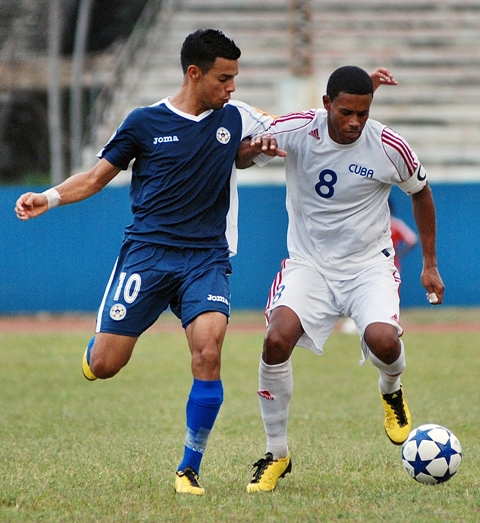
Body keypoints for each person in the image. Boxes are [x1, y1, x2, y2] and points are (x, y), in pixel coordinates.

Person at [14, 29, 275, 496]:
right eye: (224, 78)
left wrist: (252, 153)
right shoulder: (144, 122)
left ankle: (189, 468)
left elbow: (279, 133)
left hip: (205, 259)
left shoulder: (236, 117)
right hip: (147, 257)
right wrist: (47, 198)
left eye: (235, 78)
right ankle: (98, 347)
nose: (232, 88)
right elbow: (95, 179)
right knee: (106, 364)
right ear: (194, 73)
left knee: (209, 353)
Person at [236, 65, 444, 493]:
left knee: (385, 342)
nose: (354, 123)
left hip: (369, 265)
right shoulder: (296, 129)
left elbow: (421, 192)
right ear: (327, 104)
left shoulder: (389, 146)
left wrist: (429, 263)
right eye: (346, 112)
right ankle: (277, 455)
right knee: (277, 340)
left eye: (363, 114)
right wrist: (251, 148)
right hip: (309, 264)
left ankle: (392, 390)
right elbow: (242, 156)